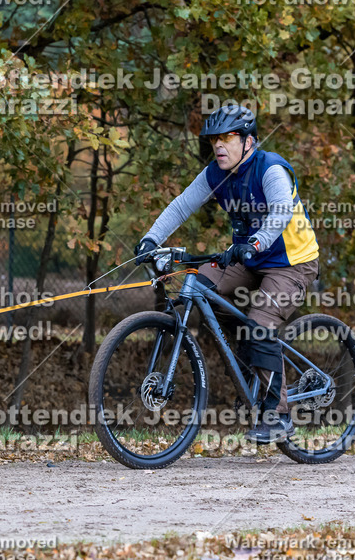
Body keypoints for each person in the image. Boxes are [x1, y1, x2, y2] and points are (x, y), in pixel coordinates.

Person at [134, 104, 320, 443]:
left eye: (228, 138)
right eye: (215, 139)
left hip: (292, 262)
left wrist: (256, 242)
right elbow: (181, 205)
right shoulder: (216, 173)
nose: (219, 146)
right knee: (202, 289)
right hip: (248, 259)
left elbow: (280, 212)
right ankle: (251, 366)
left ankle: (278, 416)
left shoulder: (270, 168)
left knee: (261, 321)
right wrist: (151, 239)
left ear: (248, 142)